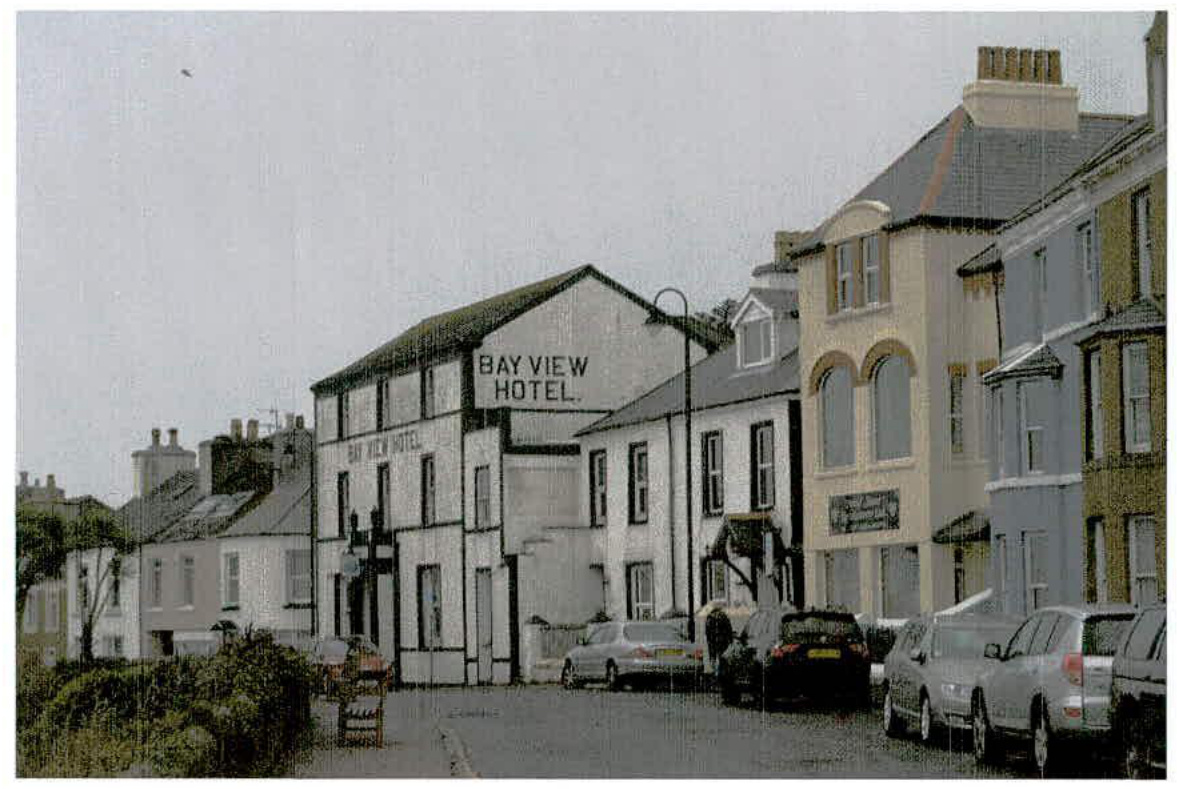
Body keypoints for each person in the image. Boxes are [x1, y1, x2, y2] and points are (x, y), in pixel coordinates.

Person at [704, 606, 733, 675]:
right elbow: (729, 629)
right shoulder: (724, 617)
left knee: (713, 656)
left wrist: (709, 640)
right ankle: (721, 671)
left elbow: (707, 631)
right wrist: (730, 639)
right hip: (723, 641)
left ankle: (714, 669)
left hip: (713, 641)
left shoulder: (709, 618)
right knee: (722, 656)